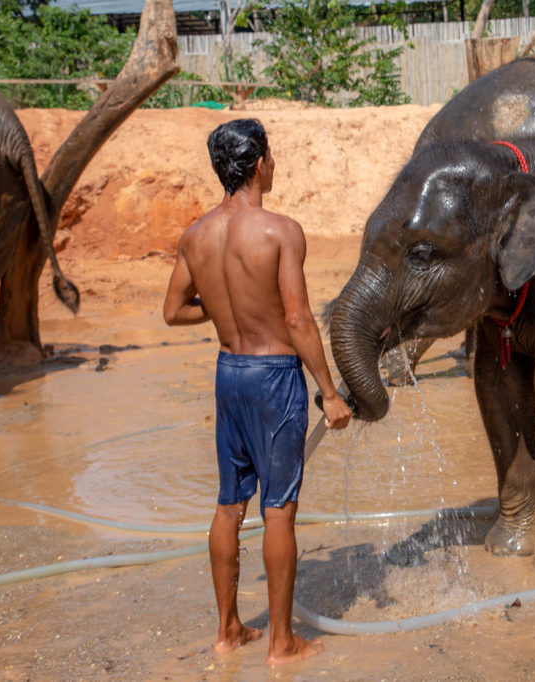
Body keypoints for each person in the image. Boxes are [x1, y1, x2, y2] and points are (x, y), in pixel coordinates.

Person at [163, 118, 351, 665]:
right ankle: (281, 643)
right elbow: (297, 319)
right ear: (261, 163)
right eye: (273, 156)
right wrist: (329, 392)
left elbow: (173, 311)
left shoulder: (195, 235)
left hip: (229, 374)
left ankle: (228, 631)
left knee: (229, 505)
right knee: (279, 510)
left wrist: (221, 309)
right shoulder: (281, 231)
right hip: (274, 380)